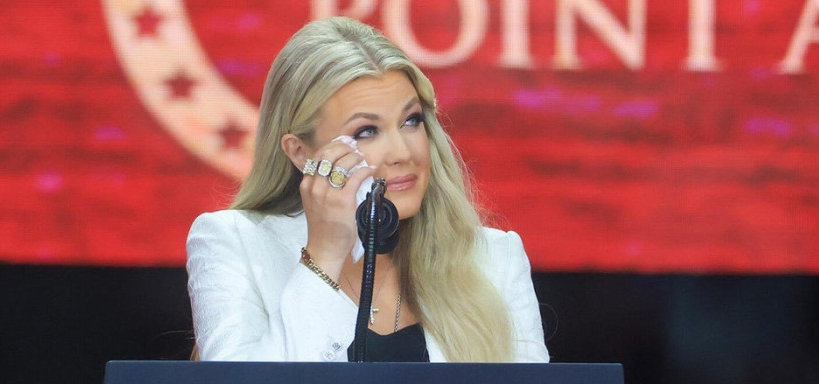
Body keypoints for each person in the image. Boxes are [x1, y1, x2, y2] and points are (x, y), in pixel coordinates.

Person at [186, 17, 549, 363]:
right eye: (366, 131)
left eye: (411, 121)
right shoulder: (233, 244)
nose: (403, 153)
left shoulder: (495, 259)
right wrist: (324, 256)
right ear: (301, 152)